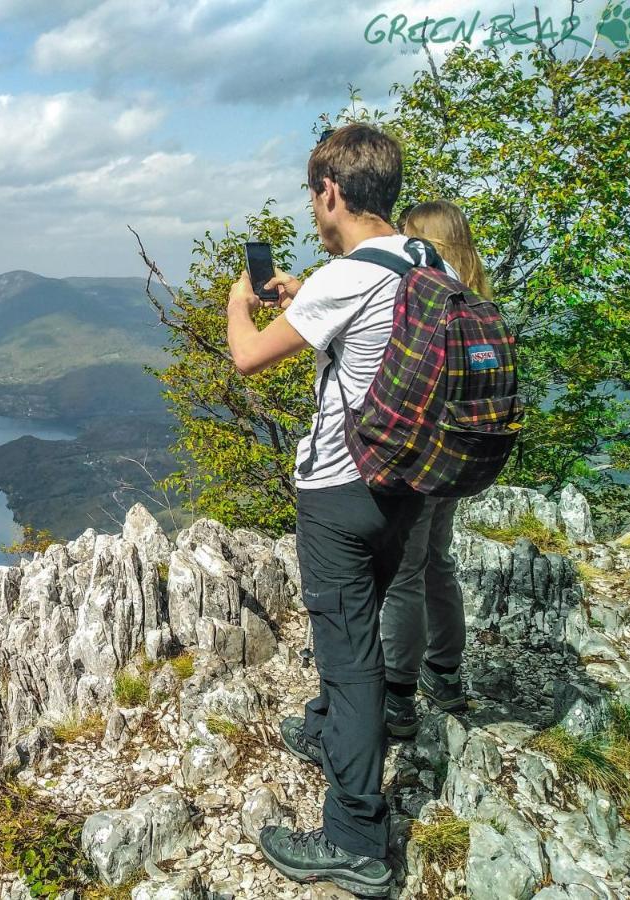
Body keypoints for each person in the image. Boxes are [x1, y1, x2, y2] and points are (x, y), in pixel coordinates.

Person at [224, 123, 434, 897]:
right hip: (404, 487)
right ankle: (327, 733)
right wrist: (301, 291)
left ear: (333, 192)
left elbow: (248, 358)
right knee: (358, 631)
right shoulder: (419, 258)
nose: (314, 207)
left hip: (340, 496)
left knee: (349, 661)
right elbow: (358, 309)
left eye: (315, 194)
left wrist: (236, 306)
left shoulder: (349, 278)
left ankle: (355, 839)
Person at [379, 200, 493, 736]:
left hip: (423, 456)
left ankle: (398, 694)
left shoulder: (429, 301)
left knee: (406, 570)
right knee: (437, 563)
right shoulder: (476, 300)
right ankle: (445, 673)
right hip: (464, 452)